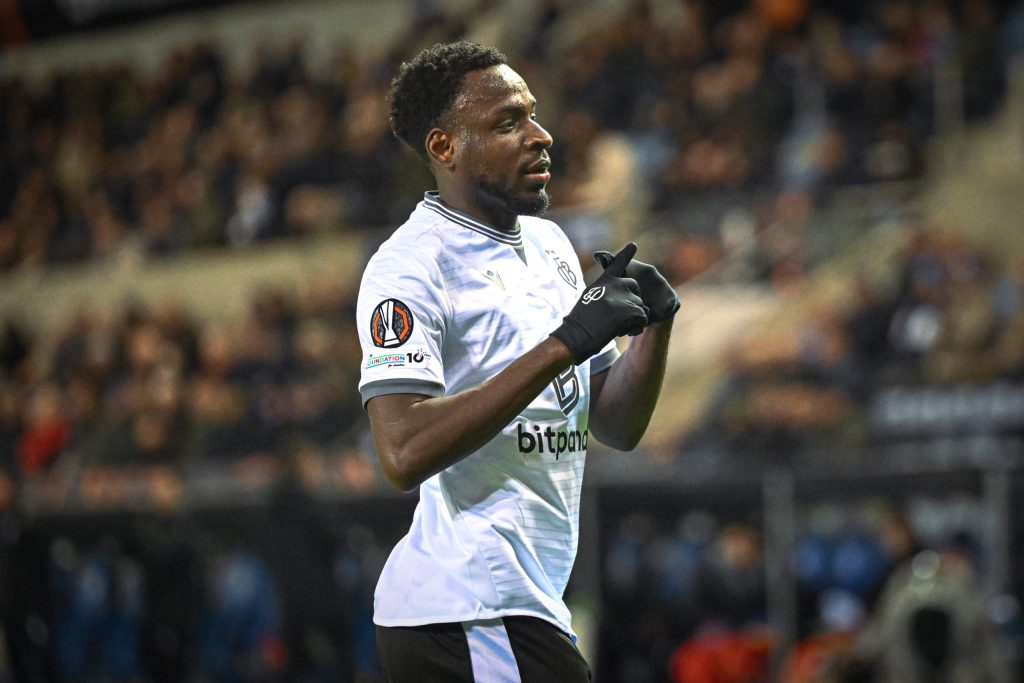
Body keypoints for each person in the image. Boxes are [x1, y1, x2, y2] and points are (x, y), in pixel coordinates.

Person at [356, 41, 679, 682]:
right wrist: (562, 345)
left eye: (532, 114)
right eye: (508, 123)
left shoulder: (550, 243)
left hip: (518, 605)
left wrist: (654, 328)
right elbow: (402, 449)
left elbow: (614, 423)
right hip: (469, 605)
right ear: (444, 147)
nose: (540, 135)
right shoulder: (410, 265)